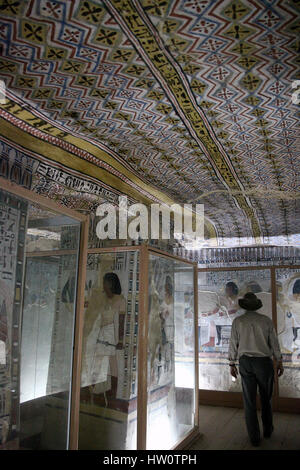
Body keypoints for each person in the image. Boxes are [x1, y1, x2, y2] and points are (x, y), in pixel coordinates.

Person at [228, 292, 284, 447]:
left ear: (244, 306)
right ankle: (268, 430)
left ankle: (254, 437)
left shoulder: (238, 321)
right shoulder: (266, 321)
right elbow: (274, 343)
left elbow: (233, 343)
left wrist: (231, 364)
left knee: (249, 401)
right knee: (266, 398)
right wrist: (279, 361)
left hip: (245, 362)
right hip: (264, 363)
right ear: (257, 305)